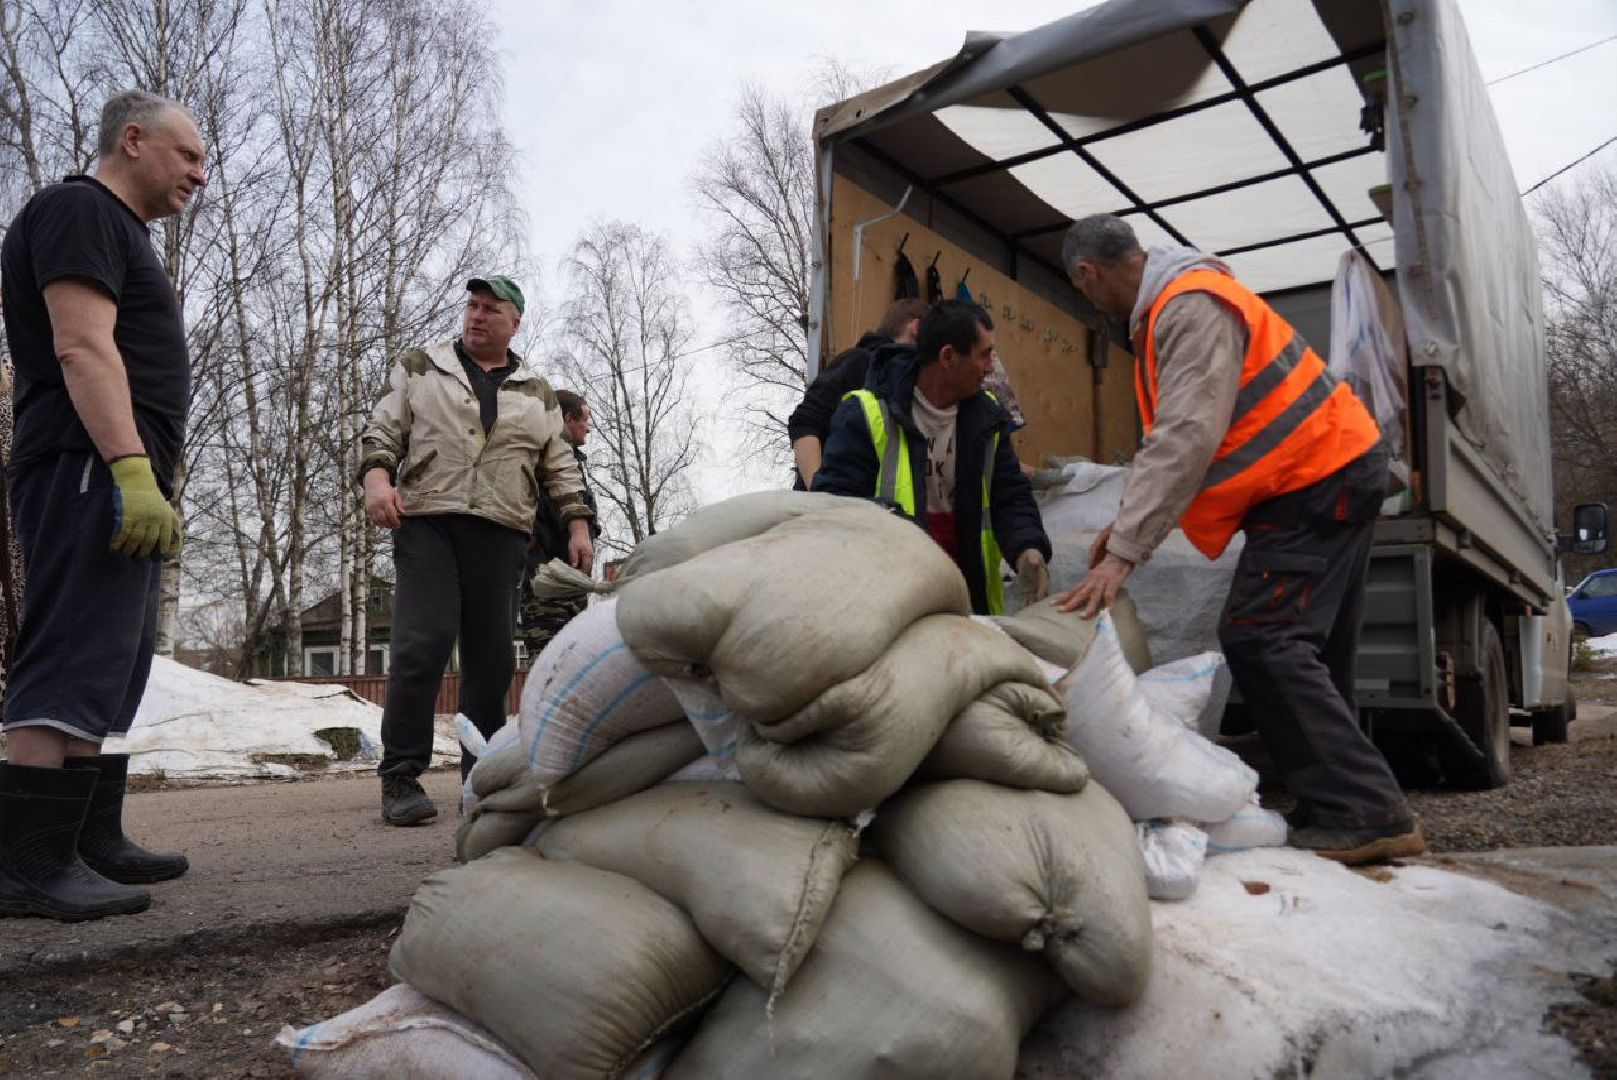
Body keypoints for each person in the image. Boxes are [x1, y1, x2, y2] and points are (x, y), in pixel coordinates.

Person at [1050, 213, 1421, 865]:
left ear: (1089, 273)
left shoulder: (1186, 307)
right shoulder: (1183, 300)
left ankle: (1365, 810)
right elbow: (1201, 436)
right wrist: (1129, 521)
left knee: (1262, 636)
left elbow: (1185, 435)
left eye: (1083, 292)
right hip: (1328, 467)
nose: (1091, 304)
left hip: (1313, 477)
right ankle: (1340, 804)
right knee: (1312, 650)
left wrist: (1123, 553)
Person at [0, 90, 204, 921]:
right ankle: (23, 865)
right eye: (189, 154)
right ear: (133, 139)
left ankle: (81, 840)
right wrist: (126, 466)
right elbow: (81, 344)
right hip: (89, 459)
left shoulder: (121, 231)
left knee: (108, 660)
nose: (200, 173)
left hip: (117, 463)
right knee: (71, 645)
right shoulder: (81, 209)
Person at [360, 276, 594, 826]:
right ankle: (401, 774)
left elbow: (558, 463)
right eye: (472, 305)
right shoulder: (422, 366)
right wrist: (376, 479)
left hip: (501, 530)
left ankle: (481, 779)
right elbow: (383, 430)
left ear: (515, 323)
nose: (477, 316)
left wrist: (578, 523)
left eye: (491, 309)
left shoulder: (536, 391)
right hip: (429, 522)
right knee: (424, 642)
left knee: (490, 659)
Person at [814, 299, 1050, 616]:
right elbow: (836, 504)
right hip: (891, 606)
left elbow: (1009, 494)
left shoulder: (987, 418)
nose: (991, 367)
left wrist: (1027, 546)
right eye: (984, 354)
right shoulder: (866, 413)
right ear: (948, 357)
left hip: (969, 604)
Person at [788, 299, 926, 489]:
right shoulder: (860, 362)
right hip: (830, 510)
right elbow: (805, 422)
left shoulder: (911, 383)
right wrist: (820, 494)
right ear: (916, 328)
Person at [518, 388, 601, 659]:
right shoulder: (542, 458)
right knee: (550, 664)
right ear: (568, 418)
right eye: (585, 419)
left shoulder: (571, 461)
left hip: (571, 580)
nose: (588, 428)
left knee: (576, 662)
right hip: (547, 582)